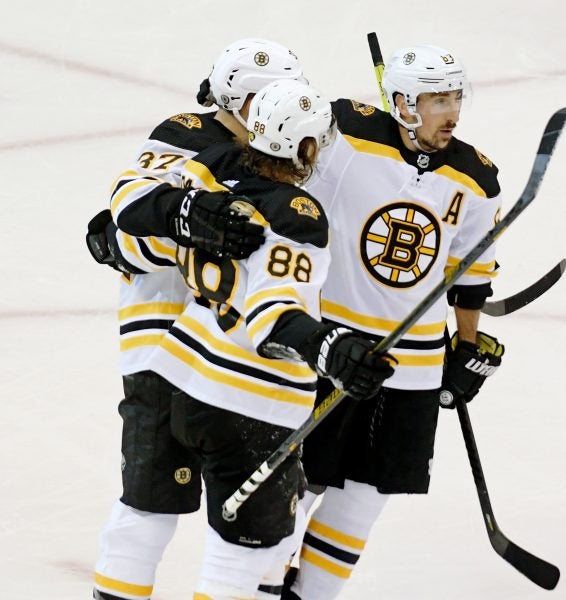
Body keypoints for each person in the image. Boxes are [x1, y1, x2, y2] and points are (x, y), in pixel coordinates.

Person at [146, 77, 396, 600]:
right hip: (250, 404)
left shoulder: (209, 170)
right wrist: (329, 348)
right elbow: (272, 311)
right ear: (303, 148)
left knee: (234, 547)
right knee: (244, 558)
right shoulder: (297, 217)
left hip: (184, 383)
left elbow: (144, 213)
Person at [281, 44, 506, 600]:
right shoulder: (344, 135)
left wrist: (466, 348)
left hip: (413, 366)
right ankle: (259, 588)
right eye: (436, 99)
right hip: (331, 349)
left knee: (364, 498)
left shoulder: (475, 177)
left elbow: (471, 273)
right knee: (295, 488)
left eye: (455, 96)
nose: (451, 111)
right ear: (403, 102)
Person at [87, 38, 308, 600]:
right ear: (232, 100)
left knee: (266, 529)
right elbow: (126, 215)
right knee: (150, 508)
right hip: (165, 348)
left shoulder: (288, 153)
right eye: (260, 96)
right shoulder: (188, 134)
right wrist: (185, 216)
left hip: (249, 363)